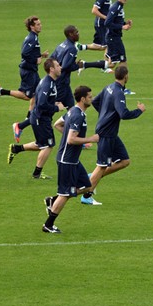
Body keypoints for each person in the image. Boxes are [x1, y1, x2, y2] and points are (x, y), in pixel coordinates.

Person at [80, 66, 145, 205]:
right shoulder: (118, 93)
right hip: (106, 134)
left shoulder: (109, 87)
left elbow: (96, 102)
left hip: (110, 133)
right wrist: (139, 111)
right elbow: (124, 114)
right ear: (126, 76)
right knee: (102, 165)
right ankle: (86, 196)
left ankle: (94, 176)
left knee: (125, 161)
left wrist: (105, 114)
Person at [42, 86, 100, 233]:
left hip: (73, 160)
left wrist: (76, 137)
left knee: (88, 186)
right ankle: (48, 225)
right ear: (82, 99)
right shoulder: (77, 115)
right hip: (66, 160)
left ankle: (53, 200)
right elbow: (71, 140)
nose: (91, 99)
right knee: (66, 193)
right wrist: (90, 139)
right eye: (89, 97)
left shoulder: (73, 111)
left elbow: (57, 124)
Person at [0, 16, 49, 143]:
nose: (40, 26)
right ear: (32, 27)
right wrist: (36, 60)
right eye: (38, 24)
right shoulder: (32, 38)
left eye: (40, 23)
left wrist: (41, 55)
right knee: (28, 96)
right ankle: (2, 91)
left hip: (31, 71)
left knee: (36, 95)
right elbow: (25, 53)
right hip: (28, 71)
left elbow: (31, 53)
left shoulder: (34, 37)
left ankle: (25, 122)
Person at [7, 58, 63, 179]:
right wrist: (56, 108)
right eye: (58, 66)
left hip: (40, 118)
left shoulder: (50, 81)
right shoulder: (47, 83)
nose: (60, 67)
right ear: (51, 69)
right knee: (48, 145)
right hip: (41, 119)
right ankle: (36, 174)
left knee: (41, 144)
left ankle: (16, 149)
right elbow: (42, 103)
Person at [105, 0, 135, 95]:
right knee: (123, 62)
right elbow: (107, 23)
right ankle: (122, 88)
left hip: (115, 38)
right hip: (113, 38)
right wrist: (122, 26)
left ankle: (87, 65)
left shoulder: (120, 7)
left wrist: (125, 23)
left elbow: (116, 21)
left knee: (113, 64)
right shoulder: (115, 7)